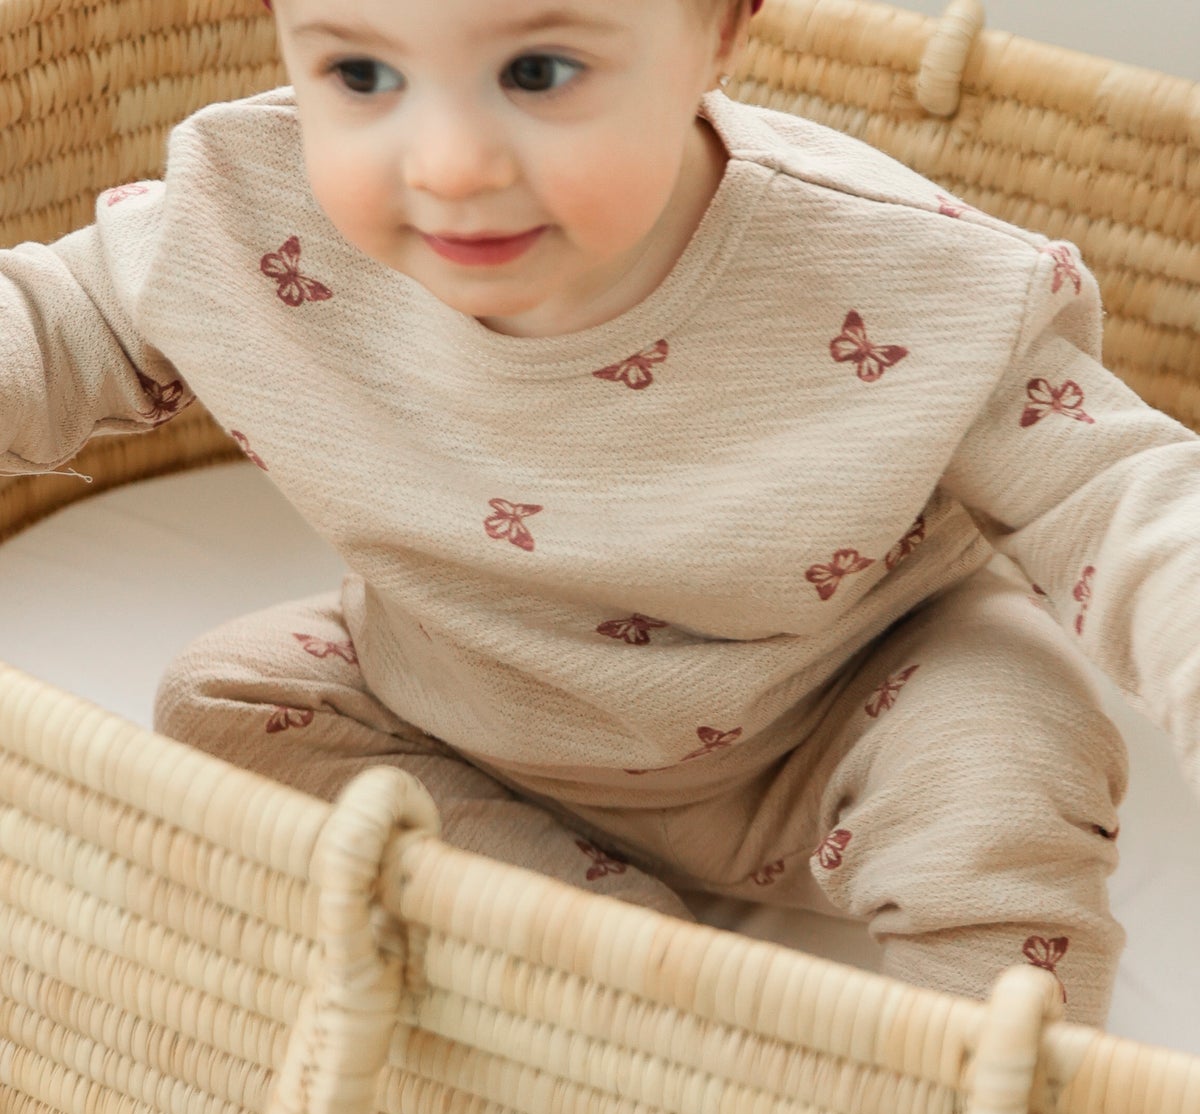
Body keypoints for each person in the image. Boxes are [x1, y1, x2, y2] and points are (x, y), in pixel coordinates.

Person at [3, 0, 1194, 1027]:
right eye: (359, 74)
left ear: (721, 32)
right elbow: (52, 327)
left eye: (539, 72)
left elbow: (1123, 498)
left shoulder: (910, 282)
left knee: (1009, 742)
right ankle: (611, 961)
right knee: (224, 700)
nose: (449, 165)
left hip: (836, 725)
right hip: (465, 713)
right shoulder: (245, 209)